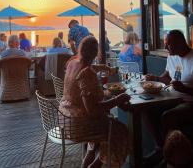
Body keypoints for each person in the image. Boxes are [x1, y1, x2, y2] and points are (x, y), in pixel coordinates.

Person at [59, 36, 130, 168]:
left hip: (65, 119)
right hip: (78, 126)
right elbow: (92, 110)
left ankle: (89, 160)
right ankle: (96, 165)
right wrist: (117, 99)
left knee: (105, 121)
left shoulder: (72, 63)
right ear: (95, 52)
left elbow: (86, 68)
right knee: (120, 130)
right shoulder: (87, 73)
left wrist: (102, 67)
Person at [143, 30, 193, 166]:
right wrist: (155, 78)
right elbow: (166, 76)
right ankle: (162, 149)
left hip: (188, 101)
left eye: (168, 44)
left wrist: (185, 89)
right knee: (146, 110)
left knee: (168, 116)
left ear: (180, 43)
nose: (165, 48)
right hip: (170, 97)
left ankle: (168, 157)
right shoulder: (172, 56)